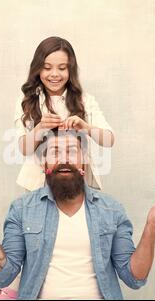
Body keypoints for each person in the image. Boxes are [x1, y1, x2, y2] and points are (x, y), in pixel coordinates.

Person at [0, 128, 155, 299]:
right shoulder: (22, 210)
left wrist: (152, 225)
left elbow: (135, 277)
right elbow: (3, 276)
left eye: (72, 151)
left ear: (83, 161)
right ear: (45, 163)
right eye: (55, 152)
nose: (64, 158)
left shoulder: (111, 210)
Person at [14, 36, 115, 191]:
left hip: (77, 184)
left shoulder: (85, 101)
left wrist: (85, 127)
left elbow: (109, 140)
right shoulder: (26, 101)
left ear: (70, 70)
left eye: (62, 68)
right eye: (47, 68)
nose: (54, 74)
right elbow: (23, 149)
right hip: (38, 186)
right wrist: (40, 128)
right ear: (37, 69)